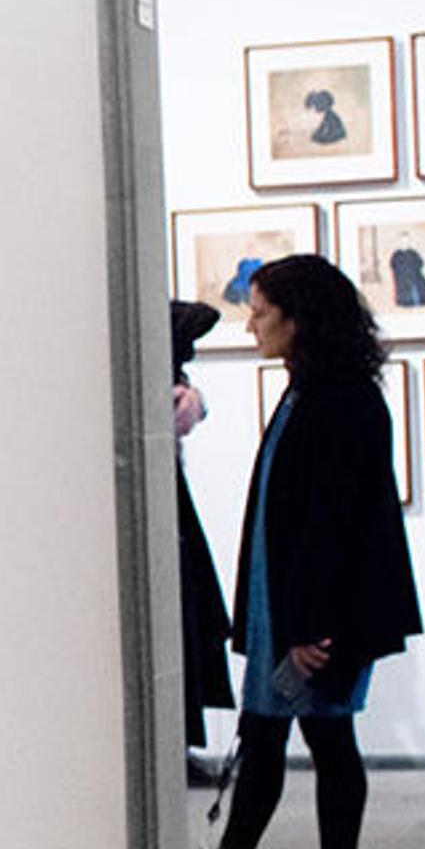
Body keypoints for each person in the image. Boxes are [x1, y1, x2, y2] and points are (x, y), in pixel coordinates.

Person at [188, 254, 421, 849]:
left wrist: (312, 625)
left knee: (327, 737)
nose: (251, 324)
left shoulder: (342, 400)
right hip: (289, 608)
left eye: (261, 311)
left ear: (300, 318)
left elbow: (337, 524)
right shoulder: (310, 389)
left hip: (318, 617)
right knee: (267, 732)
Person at [170, 299, 232, 751]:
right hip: (170, 506)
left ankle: (182, 743)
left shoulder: (176, 387)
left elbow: (203, 314)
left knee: (189, 620)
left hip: (174, 507)